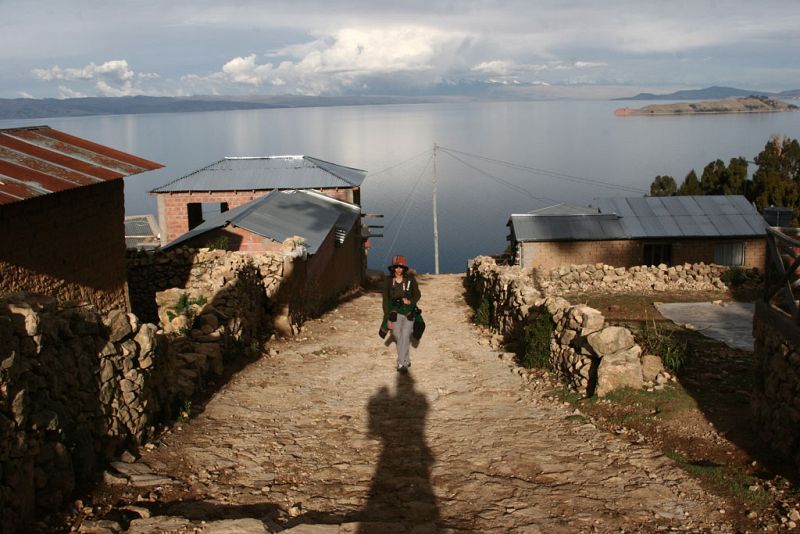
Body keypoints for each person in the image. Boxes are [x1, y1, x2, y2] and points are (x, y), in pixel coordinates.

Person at [381, 255, 421, 372]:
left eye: (401, 267)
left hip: (409, 312)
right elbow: (386, 300)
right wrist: (387, 318)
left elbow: (417, 294)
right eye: (396, 267)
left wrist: (410, 301)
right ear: (393, 268)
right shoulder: (388, 281)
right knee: (398, 335)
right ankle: (407, 360)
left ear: (404, 268)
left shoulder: (410, 280)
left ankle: (401, 363)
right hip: (395, 313)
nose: (398, 269)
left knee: (404, 335)